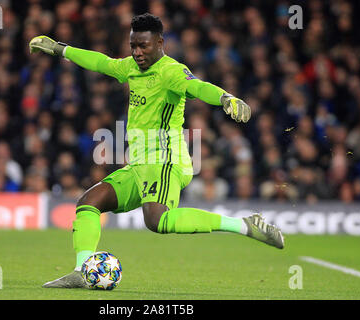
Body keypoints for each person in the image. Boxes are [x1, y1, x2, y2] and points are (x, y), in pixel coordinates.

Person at [29, 13, 284, 289]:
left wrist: (225, 97)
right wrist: (59, 48)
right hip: (140, 164)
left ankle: (246, 225)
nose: (137, 53)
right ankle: (81, 270)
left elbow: (197, 86)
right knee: (89, 202)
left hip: (166, 159)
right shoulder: (130, 67)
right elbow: (100, 62)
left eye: (144, 46)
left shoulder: (170, 71)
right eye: (133, 46)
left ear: (160, 42)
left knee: (156, 219)